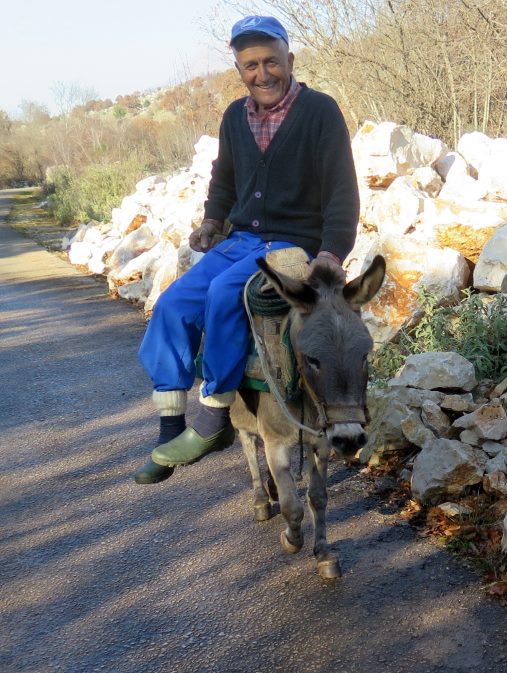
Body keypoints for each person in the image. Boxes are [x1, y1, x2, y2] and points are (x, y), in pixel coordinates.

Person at [134, 14, 361, 484]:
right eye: (251, 65)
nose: (262, 74)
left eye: (271, 62)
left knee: (223, 295)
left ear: (290, 60)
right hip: (240, 239)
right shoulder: (235, 117)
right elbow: (225, 179)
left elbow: (342, 191)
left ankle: (214, 412)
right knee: (174, 303)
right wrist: (212, 221)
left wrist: (331, 252)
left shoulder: (320, 111)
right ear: (239, 69)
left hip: (292, 243)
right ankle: (171, 423)